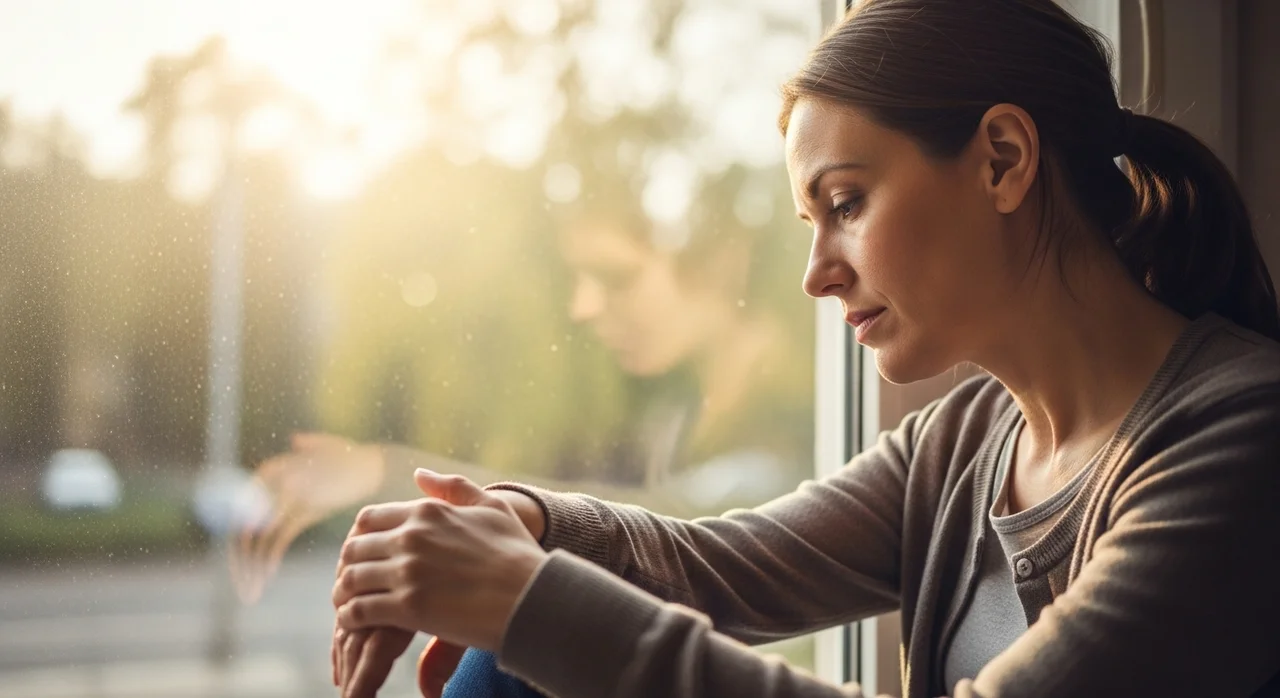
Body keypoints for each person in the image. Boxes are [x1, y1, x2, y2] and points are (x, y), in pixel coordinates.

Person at [327, 0, 1280, 696]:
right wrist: (519, 522)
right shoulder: (964, 442)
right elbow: (716, 569)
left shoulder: (1242, 436)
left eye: (846, 205)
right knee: (514, 653)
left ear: (1002, 160)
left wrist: (524, 597)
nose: (817, 273)